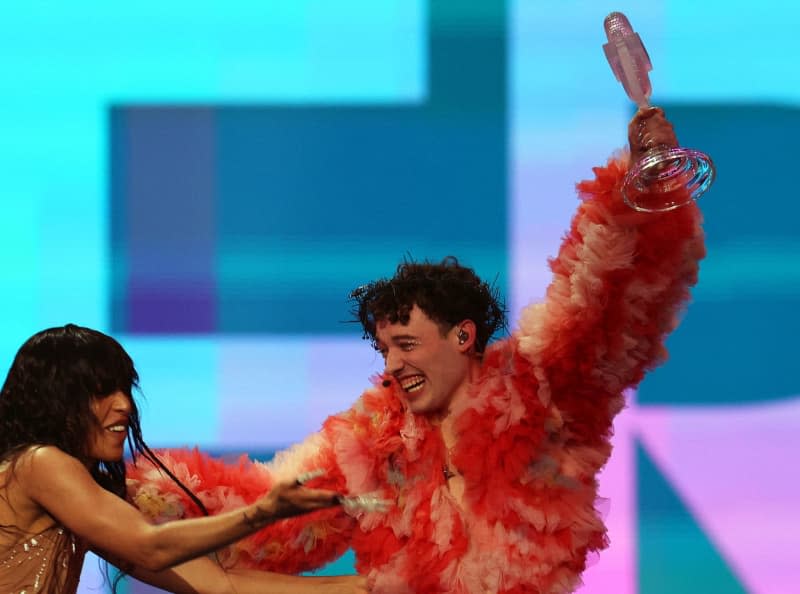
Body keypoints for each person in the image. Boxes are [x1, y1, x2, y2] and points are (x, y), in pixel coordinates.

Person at [127, 106, 705, 593]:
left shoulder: (543, 389)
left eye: (405, 344)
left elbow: (602, 302)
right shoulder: (372, 439)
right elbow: (265, 510)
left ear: (463, 335)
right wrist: (135, 490)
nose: (392, 365)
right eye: (384, 349)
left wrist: (637, 188)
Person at [0, 324, 369, 593]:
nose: (125, 406)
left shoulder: (71, 491)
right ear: (55, 401)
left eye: (125, 389)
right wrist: (265, 511)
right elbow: (152, 546)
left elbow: (220, 584)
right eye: (101, 393)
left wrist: (369, 586)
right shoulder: (39, 463)